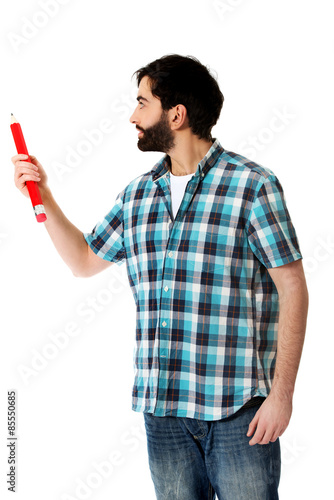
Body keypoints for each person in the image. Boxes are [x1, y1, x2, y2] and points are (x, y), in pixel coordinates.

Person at [12, 54, 309, 500]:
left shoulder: (253, 186)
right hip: (163, 414)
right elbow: (83, 261)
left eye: (141, 103)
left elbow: (293, 288)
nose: (132, 116)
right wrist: (43, 196)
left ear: (176, 114)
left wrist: (281, 395)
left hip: (240, 414)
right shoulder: (137, 196)